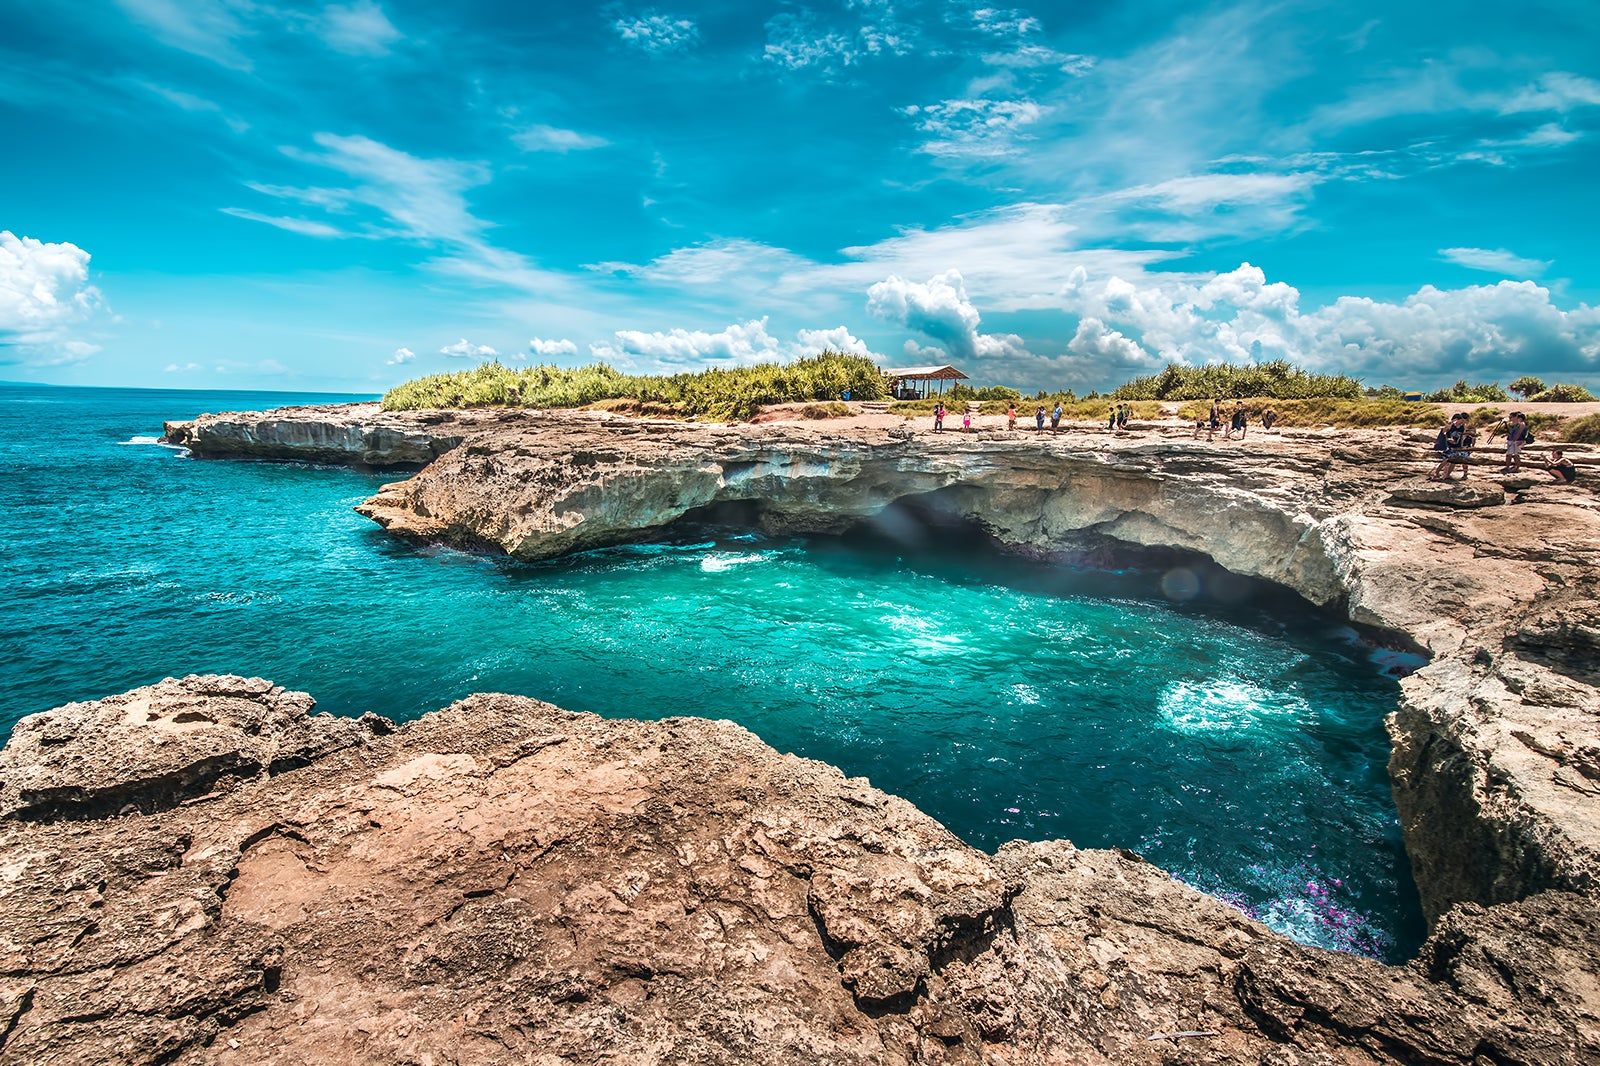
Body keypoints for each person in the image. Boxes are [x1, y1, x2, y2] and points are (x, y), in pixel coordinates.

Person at [1430, 414, 1473, 480]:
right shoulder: (1451, 425)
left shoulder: (1463, 427)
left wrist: (1461, 447)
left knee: (1453, 462)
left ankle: (1447, 475)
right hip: (1449, 445)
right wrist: (1448, 438)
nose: (1464, 422)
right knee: (1446, 460)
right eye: (1463, 420)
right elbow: (1443, 433)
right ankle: (1436, 473)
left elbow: (1462, 437)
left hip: (1457, 446)